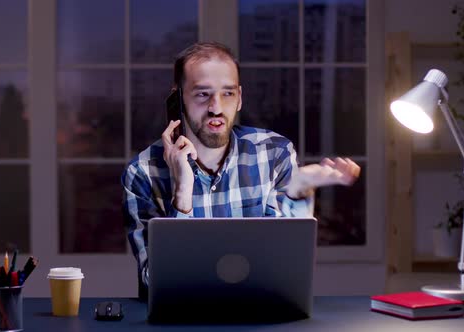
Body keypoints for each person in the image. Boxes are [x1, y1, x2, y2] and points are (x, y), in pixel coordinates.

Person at [122, 42, 360, 298]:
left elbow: (285, 268)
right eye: (203, 94)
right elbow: (153, 282)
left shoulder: (274, 153)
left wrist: (297, 190)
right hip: (183, 320)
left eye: (227, 93)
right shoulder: (142, 172)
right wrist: (182, 192)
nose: (216, 107)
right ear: (177, 98)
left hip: (260, 317)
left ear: (240, 98)